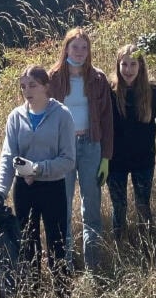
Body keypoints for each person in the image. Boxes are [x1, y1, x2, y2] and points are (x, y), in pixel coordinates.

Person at [0, 65, 75, 298]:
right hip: (24, 189)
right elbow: (8, 156)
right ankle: (32, 296)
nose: (27, 91)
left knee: (57, 242)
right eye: (23, 86)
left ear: (46, 87)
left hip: (53, 187)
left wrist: (36, 169)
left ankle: (62, 297)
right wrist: (0, 190)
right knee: (28, 243)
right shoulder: (15, 117)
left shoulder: (62, 115)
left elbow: (68, 160)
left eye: (33, 85)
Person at [48, 28, 113, 274]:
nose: (79, 52)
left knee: (92, 207)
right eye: (75, 47)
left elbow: (107, 120)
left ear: (89, 51)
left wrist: (106, 156)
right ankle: (64, 264)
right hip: (62, 149)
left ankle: (92, 265)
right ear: (65, 48)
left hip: (90, 145)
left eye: (84, 47)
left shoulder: (97, 79)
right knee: (62, 207)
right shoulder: (53, 78)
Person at [107, 43, 156, 243]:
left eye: (133, 64)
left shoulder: (152, 90)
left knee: (143, 205)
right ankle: (120, 246)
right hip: (116, 161)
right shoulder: (110, 91)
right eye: (124, 65)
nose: (128, 70)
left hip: (144, 159)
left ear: (141, 67)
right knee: (119, 207)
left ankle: (148, 244)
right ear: (118, 66)